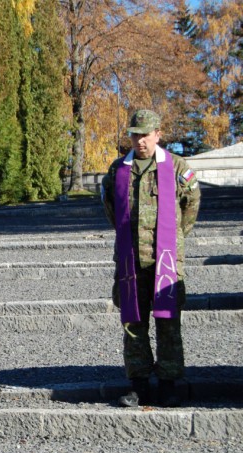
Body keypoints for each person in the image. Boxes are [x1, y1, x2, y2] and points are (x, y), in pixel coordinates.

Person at [101, 109, 200, 408]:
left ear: (158, 133)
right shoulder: (118, 170)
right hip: (131, 259)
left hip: (166, 259)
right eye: (135, 134)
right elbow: (111, 211)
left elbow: (191, 205)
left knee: (168, 322)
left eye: (145, 134)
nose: (140, 140)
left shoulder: (177, 167)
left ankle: (169, 383)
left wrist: (176, 237)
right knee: (133, 321)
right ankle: (139, 384)